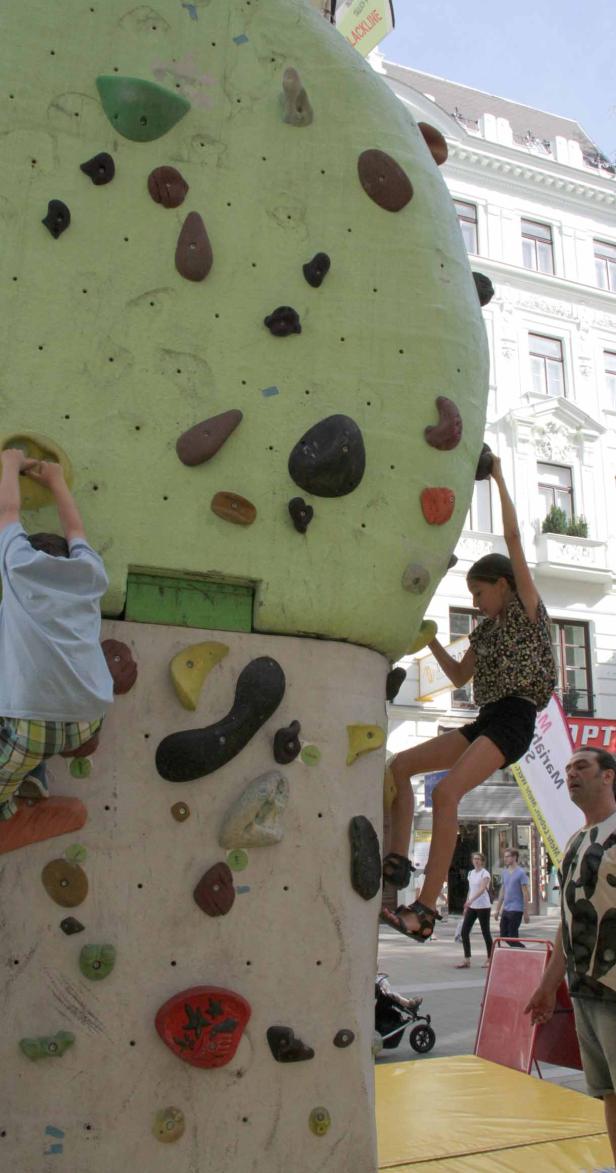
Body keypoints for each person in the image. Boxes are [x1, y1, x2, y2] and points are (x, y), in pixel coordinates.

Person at [381, 455, 556, 942]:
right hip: (486, 718)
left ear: (504, 585)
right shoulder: (483, 635)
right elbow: (458, 676)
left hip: (516, 718)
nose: (476, 602)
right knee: (399, 767)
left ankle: (425, 912)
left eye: (479, 593)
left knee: (445, 792)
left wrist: (498, 477)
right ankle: (396, 867)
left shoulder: (526, 609)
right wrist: (429, 638)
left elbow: (515, 540)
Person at [0, 449, 113, 834]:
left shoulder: (20, 570)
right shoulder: (89, 573)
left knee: (5, 766)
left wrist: (9, 465)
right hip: (87, 716)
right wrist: (56, 481)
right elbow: (76, 530)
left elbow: (7, 512)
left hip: (32, 720)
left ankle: (9, 798)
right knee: (30, 730)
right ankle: (38, 774)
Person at [525, 748, 616, 1163]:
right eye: (566, 770)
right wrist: (548, 986)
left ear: (608, 776)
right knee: (606, 1091)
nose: (571, 774)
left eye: (582, 766)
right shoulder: (575, 842)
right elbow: (568, 920)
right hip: (584, 991)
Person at [455, 852, 493, 968]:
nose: (476, 861)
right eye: (474, 859)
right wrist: (467, 903)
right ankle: (467, 959)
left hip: (483, 906)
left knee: (485, 932)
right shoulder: (471, 873)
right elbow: (470, 890)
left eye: (478, 859)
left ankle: (490, 958)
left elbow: (482, 890)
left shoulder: (484, 874)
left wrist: (470, 901)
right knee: (464, 931)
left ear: (482, 861)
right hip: (472, 906)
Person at [493, 848, 529, 946]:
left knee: (512, 937)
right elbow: (502, 891)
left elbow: (525, 893)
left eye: (507, 856)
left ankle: (523, 953)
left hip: (516, 909)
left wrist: (526, 912)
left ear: (514, 857)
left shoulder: (521, 873)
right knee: (504, 936)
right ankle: (520, 953)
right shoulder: (504, 872)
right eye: (504, 857)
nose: (505, 859)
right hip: (506, 908)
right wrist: (497, 910)